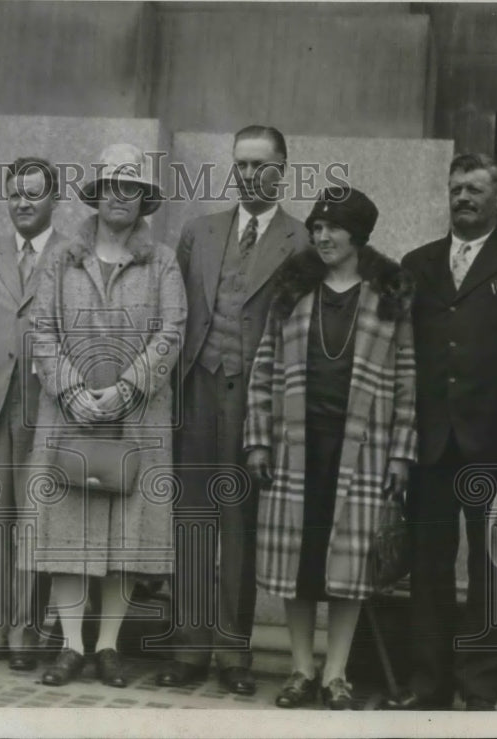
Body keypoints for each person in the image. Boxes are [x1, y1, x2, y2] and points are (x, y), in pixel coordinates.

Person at [386, 153, 497, 710]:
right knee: (429, 568)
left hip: (496, 446)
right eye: (456, 188)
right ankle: (428, 684)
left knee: (492, 570)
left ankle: (482, 687)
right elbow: (401, 355)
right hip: (430, 443)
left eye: (476, 189)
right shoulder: (418, 262)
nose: (463, 197)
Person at [244, 187, 417, 709]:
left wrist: (401, 455)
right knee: (299, 561)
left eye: (332, 228)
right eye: (316, 227)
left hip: (362, 449)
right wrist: (257, 441)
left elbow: (407, 381)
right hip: (296, 447)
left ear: (358, 235)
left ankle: (336, 674)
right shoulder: (293, 290)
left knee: (349, 566)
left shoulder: (389, 297)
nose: (321, 236)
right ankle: (300, 670)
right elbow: (263, 368)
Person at [24, 143, 186, 688]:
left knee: (124, 534)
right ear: (97, 194)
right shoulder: (62, 259)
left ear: (143, 198)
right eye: (112, 185)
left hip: (135, 417)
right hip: (69, 415)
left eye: (132, 187)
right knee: (71, 530)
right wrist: (70, 390)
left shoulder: (162, 260)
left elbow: (171, 332)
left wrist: (127, 390)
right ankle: (71, 646)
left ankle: (110, 646)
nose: (122, 196)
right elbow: (41, 331)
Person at [156, 125, 309, 695]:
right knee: (192, 519)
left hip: (253, 398)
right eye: (241, 164)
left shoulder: (301, 240)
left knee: (239, 525)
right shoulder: (200, 232)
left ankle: (233, 654)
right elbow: (174, 314)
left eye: (260, 165)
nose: (249, 174)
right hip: (196, 388)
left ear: (282, 168)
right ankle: (190, 648)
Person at [0, 157, 68, 670]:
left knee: (34, 517)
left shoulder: (73, 256)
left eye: (34, 193)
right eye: (15, 193)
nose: (23, 202)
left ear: (54, 199)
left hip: (45, 403)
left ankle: (27, 629)